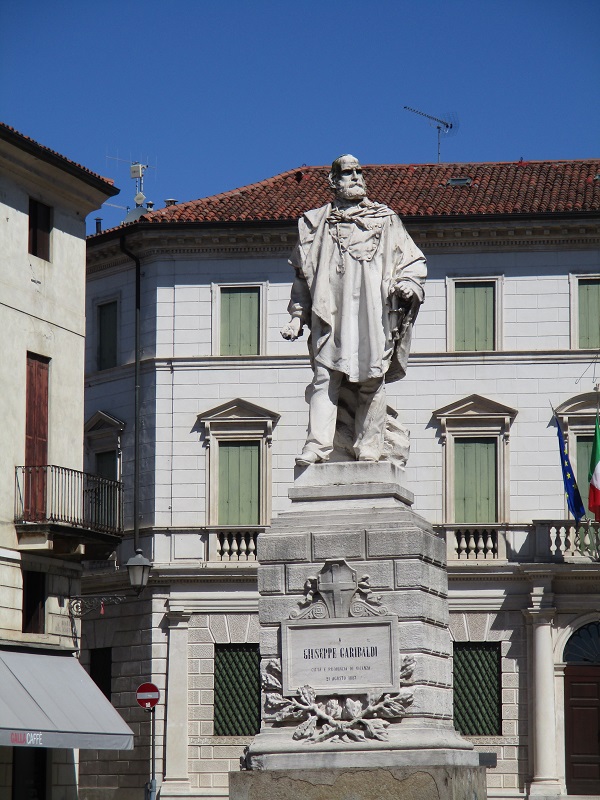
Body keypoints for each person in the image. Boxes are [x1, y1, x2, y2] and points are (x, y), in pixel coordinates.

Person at [281, 154, 426, 466]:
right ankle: (317, 447)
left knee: (372, 380)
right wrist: (297, 315)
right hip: (330, 313)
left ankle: (370, 446)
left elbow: (413, 261)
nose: (357, 177)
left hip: (372, 312)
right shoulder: (314, 223)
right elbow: (303, 275)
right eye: (348, 173)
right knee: (324, 378)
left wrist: (410, 284)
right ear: (334, 181)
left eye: (360, 172)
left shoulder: (386, 220)